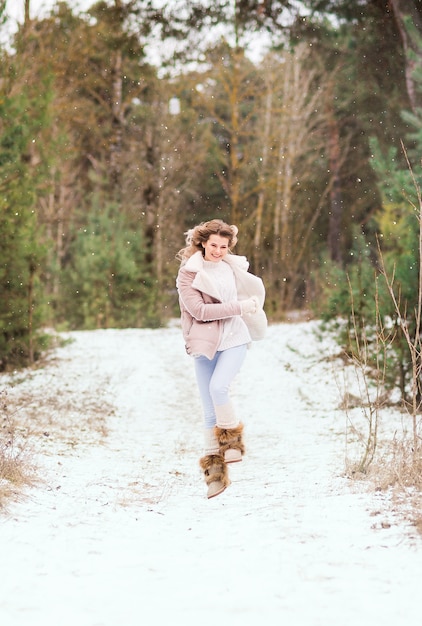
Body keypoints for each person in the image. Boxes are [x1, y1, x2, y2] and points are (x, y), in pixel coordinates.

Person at [176, 219, 267, 499]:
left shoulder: (232, 266)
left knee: (219, 388)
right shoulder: (188, 274)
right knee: (208, 412)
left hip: (235, 338)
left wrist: (249, 308)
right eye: (213, 245)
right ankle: (215, 476)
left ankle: (233, 443)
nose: (218, 250)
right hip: (205, 344)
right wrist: (240, 307)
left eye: (223, 246)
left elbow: (253, 290)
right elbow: (201, 311)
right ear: (202, 243)